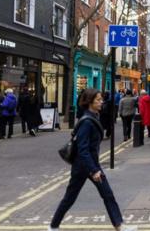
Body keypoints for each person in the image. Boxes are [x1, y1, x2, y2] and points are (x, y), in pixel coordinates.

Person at [49, 89, 137, 231]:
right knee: (70, 197)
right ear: (90, 102)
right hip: (83, 166)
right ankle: (53, 226)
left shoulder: (94, 116)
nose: (101, 102)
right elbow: (83, 150)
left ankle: (119, 225)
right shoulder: (87, 122)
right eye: (98, 100)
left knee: (107, 194)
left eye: (101, 99)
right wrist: (94, 170)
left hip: (90, 164)